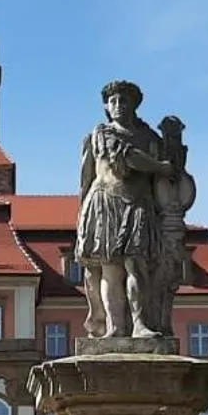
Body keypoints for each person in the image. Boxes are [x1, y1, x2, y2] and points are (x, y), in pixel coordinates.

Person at [76, 81, 174, 339]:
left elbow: (167, 182)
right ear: (107, 107)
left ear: (134, 105)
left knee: (136, 265)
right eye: (113, 101)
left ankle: (140, 324)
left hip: (138, 204)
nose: (118, 106)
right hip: (105, 202)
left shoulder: (150, 137)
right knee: (109, 269)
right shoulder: (102, 133)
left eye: (124, 101)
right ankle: (115, 326)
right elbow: (125, 159)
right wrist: (160, 167)